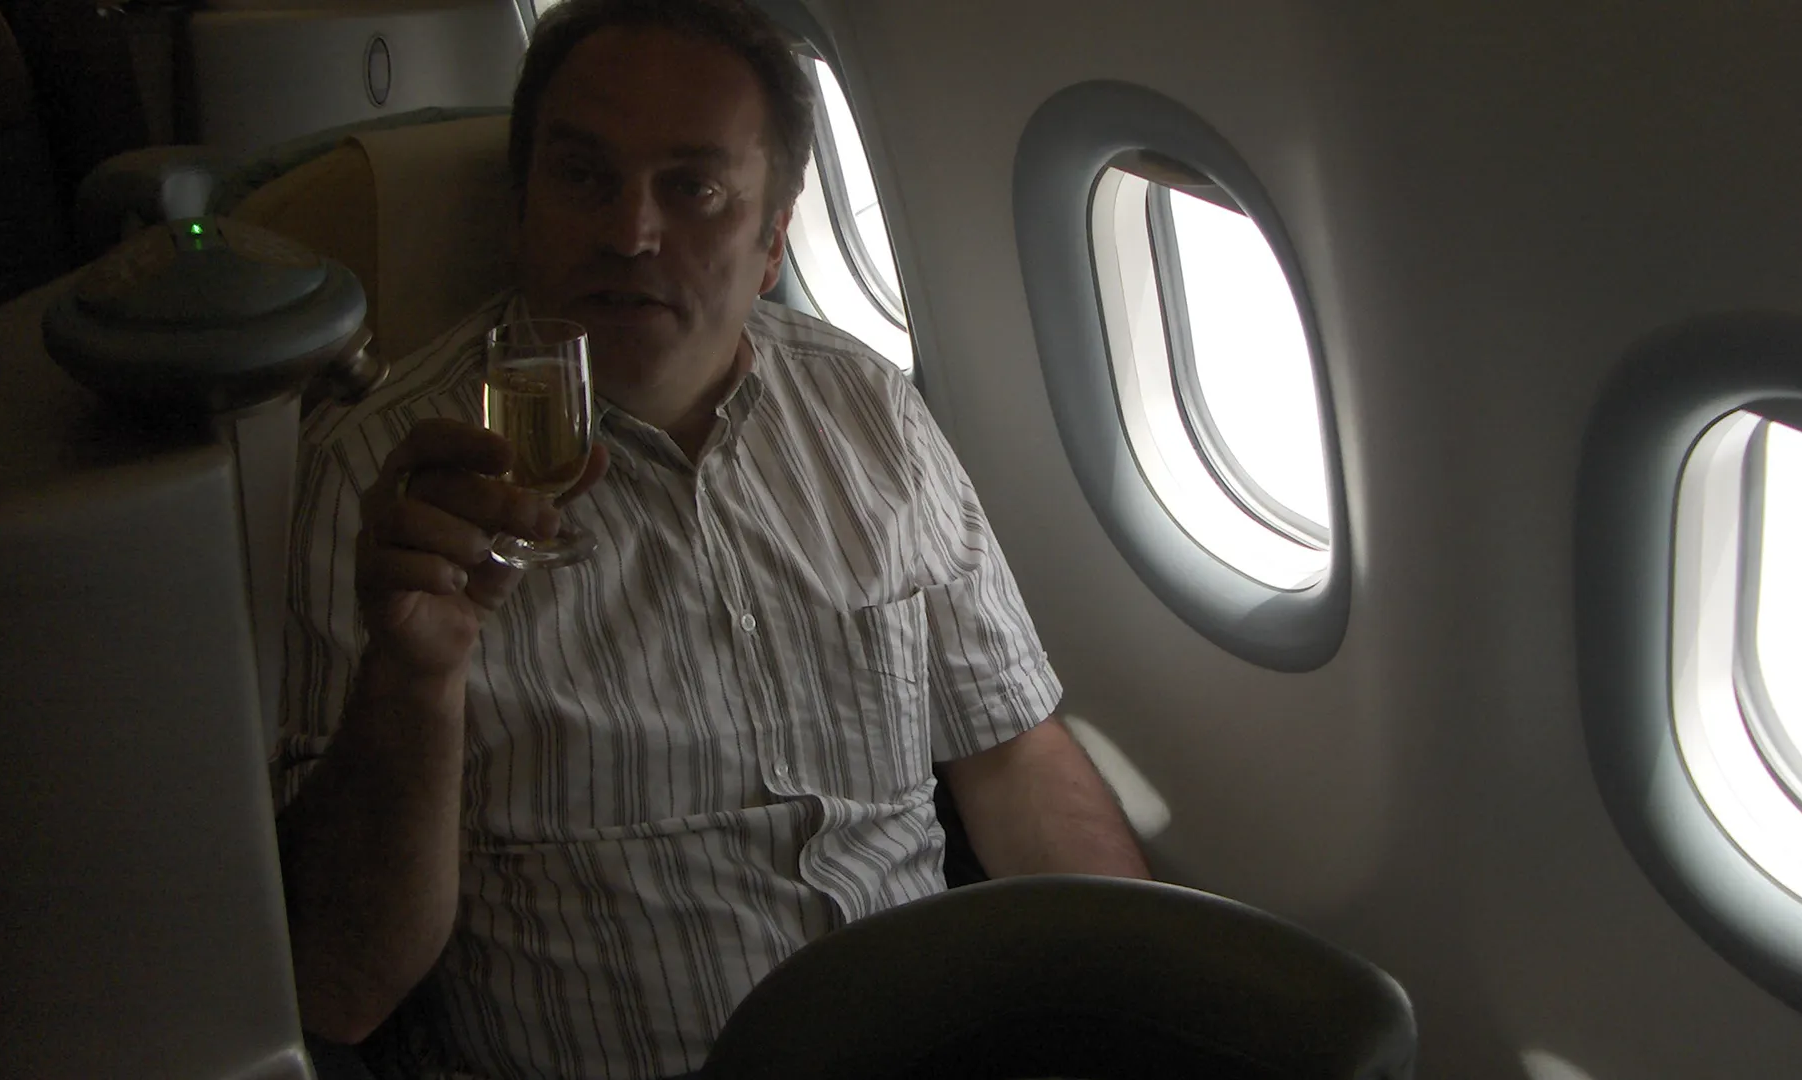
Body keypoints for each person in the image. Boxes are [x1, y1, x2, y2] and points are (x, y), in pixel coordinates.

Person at [271, 1, 1150, 1076]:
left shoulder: (873, 413)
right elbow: (341, 985)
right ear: (520, 208)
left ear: (773, 241)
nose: (630, 232)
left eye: (693, 189)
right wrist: (414, 677)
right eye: (583, 177)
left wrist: (1143, 997)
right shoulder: (382, 479)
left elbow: (1012, 756)